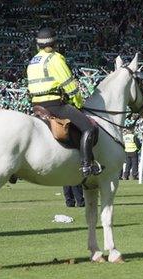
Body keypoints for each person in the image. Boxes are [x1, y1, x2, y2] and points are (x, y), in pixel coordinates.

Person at [27, 28, 102, 177]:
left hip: (36, 105)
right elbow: (70, 86)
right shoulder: (55, 58)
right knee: (89, 128)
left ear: (37, 46)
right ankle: (87, 164)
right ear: (55, 44)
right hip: (54, 105)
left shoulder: (33, 61)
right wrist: (78, 103)